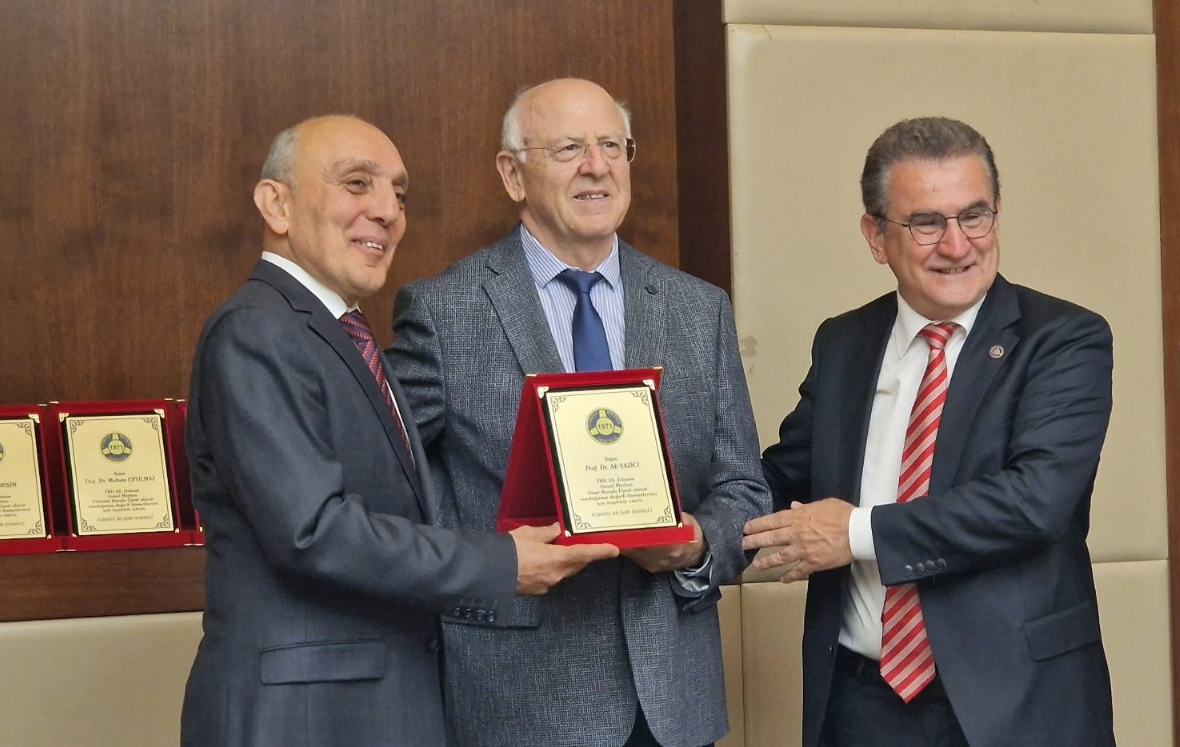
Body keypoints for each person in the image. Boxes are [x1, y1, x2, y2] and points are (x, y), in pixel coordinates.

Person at [180, 115, 616, 747]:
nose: (387, 211)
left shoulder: (339, 334)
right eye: (357, 184)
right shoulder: (257, 329)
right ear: (276, 204)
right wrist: (500, 562)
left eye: (399, 194)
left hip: (368, 706)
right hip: (304, 715)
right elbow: (312, 532)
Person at [386, 79, 771, 747]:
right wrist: (496, 561)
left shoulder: (698, 309)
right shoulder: (444, 312)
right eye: (569, 149)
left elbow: (744, 487)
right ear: (513, 174)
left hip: (671, 703)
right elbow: (389, 490)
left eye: (612, 147)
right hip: (517, 700)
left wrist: (696, 542)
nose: (597, 166)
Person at [743, 117, 1116, 747]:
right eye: (926, 223)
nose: (957, 245)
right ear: (876, 236)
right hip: (861, 704)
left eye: (975, 216)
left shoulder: (1062, 339)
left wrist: (855, 533)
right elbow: (784, 477)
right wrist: (687, 527)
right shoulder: (845, 342)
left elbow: (1034, 501)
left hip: (1015, 702)